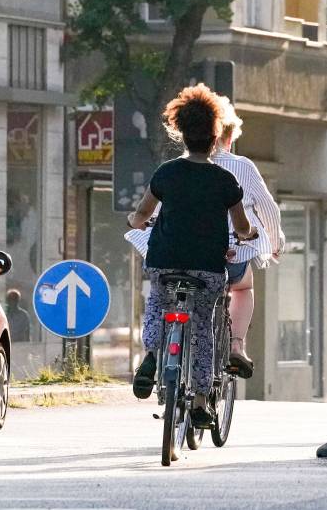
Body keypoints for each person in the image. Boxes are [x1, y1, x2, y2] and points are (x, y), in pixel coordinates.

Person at [127, 84, 256, 426]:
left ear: (182, 136)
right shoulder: (225, 180)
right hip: (207, 269)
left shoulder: (166, 173)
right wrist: (249, 234)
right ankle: (200, 401)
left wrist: (136, 221)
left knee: (156, 303)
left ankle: (153, 354)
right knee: (201, 328)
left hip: (164, 261)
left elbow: (142, 214)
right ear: (215, 139)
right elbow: (241, 226)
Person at [212, 98, 284, 379]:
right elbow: (267, 207)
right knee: (243, 288)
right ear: (227, 138)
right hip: (228, 257)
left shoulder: (176, 166)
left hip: (182, 256)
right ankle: (236, 345)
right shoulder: (241, 166)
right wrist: (275, 244)